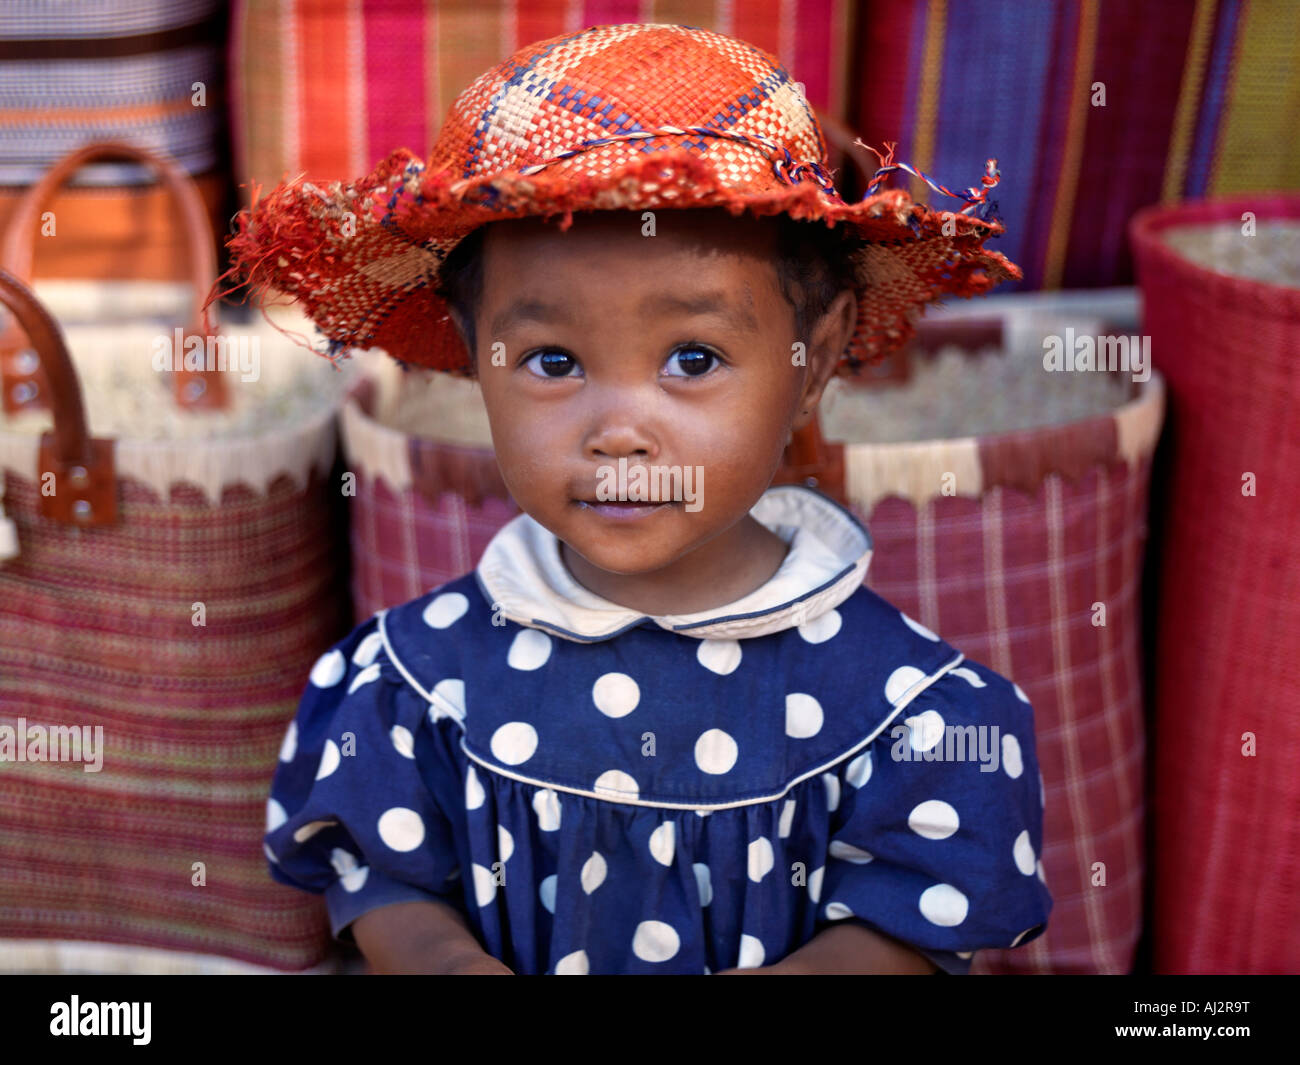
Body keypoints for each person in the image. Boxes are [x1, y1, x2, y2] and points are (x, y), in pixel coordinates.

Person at [225, 22, 1050, 975]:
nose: (618, 429)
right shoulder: (420, 678)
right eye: (553, 361)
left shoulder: (902, 705)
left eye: (692, 360)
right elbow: (380, 872)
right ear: (474, 354)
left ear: (812, 360)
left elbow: (915, 920)